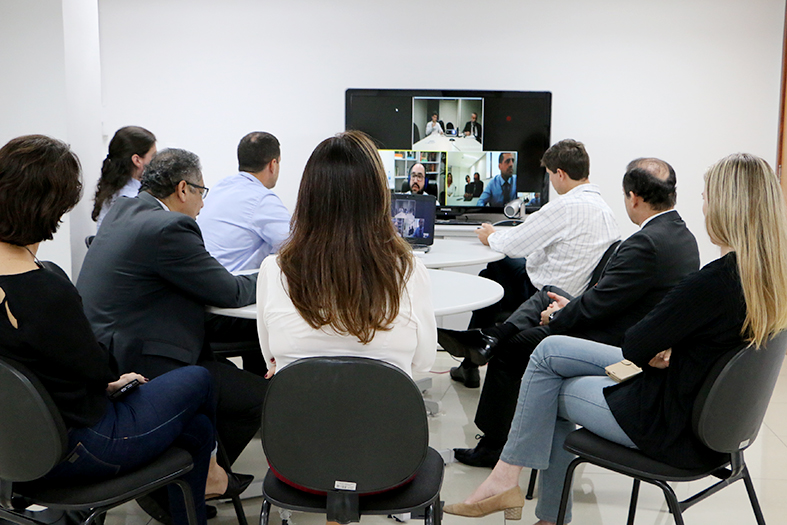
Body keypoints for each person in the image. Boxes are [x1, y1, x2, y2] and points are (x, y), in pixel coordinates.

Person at [443, 152, 787, 524]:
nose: (703, 207)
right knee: (549, 352)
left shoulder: (715, 282)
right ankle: (526, 498)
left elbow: (636, 345)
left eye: (706, 197)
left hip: (667, 426)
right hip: (717, 432)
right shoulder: (767, 282)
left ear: (725, 206)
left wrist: (664, 343)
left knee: (547, 379)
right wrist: (672, 341)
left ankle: (517, 488)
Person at [0, 135, 242, 525]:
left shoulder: (32, 285)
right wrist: (112, 381)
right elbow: (95, 368)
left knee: (195, 429)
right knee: (199, 378)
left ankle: (199, 497)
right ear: (54, 207)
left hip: (15, 451)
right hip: (82, 448)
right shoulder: (46, 286)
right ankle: (211, 476)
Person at [440, 158, 700, 467]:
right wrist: (567, 306)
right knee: (548, 290)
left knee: (513, 350)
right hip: (620, 321)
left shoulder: (646, 243)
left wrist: (560, 316)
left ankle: (494, 444)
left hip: (612, 339)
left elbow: (599, 305)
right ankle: (492, 336)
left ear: (634, 197)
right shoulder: (683, 236)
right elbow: (609, 298)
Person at [76, 148, 268, 468]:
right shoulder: (170, 228)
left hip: (110, 352)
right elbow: (231, 292)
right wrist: (274, 274)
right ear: (182, 189)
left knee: (231, 369)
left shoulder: (123, 210)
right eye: (201, 192)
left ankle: (193, 469)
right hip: (145, 361)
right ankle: (198, 477)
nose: (204, 204)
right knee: (260, 398)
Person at [256, 130, 437, 379]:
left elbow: (271, 357)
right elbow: (423, 362)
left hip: (301, 415)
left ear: (308, 198)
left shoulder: (275, 270)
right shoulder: (409, 270)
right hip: (384, 415)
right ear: (379, 198)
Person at [449, 139, 620, 388]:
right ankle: (471, 361)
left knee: (495, 269)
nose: (550, 180)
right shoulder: (605, 210)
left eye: (550, 174)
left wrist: (491, 236)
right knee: (496, 271)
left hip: (545, 295)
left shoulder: (565, 207)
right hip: (578, 296)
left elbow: (514, 244)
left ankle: (472, 360)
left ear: (560, 174)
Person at [197, 131, 290, 273]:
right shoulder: (262, 199)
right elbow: (295, 247)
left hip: (203, 280)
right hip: (232, 287)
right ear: (273, 164)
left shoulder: (220, 187)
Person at [92, 126, 156, 230]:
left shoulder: (112, 191)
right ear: (137, 160)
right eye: (153, 156)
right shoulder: (134, 199)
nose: (156, 161)